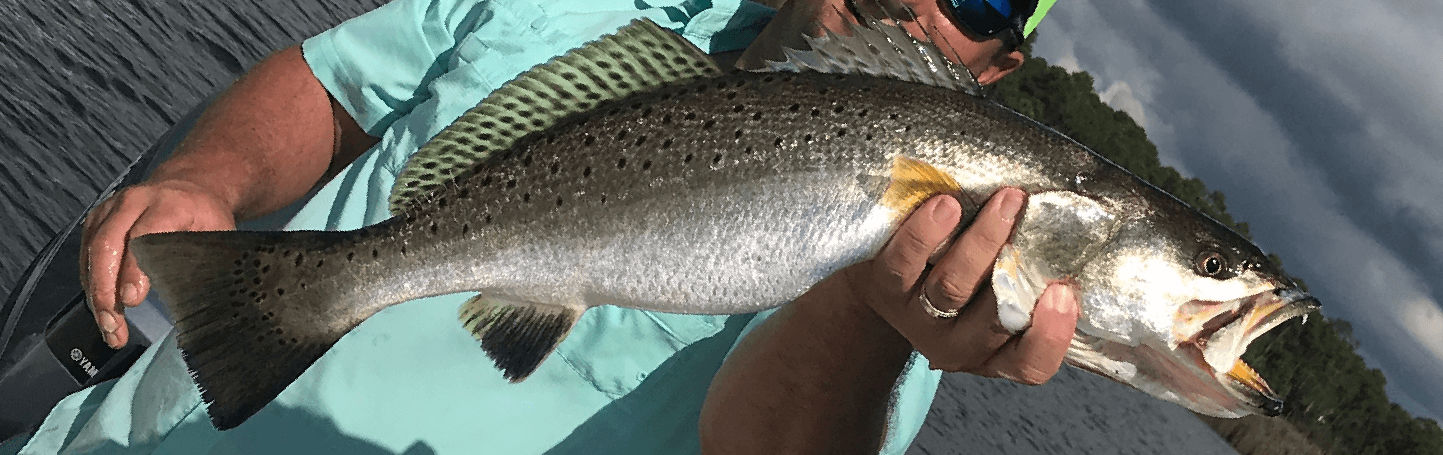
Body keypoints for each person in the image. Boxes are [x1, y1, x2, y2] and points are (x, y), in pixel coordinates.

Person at [8, 0, 1071, 453]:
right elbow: (333, 83)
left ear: (998, 62)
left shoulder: (929, 284)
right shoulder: (575, 7)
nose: (914, 0)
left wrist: (866, 309)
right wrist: (206, 179)